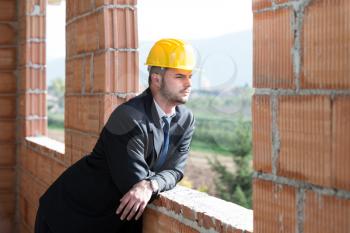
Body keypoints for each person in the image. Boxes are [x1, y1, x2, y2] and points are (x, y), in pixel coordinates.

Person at [34, 38, 196, 233]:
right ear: (156, 78)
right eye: (180, 76)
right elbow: (134, 183)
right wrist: (149, 183)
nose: (188, 84)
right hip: (69, 216)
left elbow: (176, 171)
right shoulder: (128, 118)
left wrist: (152, 183)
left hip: (110, 221)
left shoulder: (186, 120)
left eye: (190, 76)